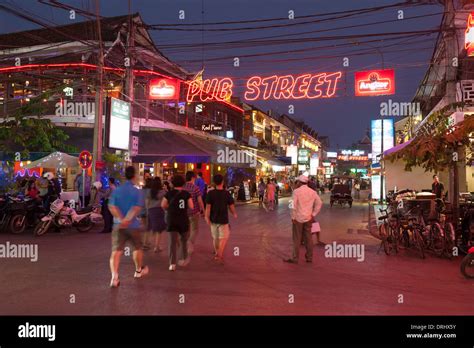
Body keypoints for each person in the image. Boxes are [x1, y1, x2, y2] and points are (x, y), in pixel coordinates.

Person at [108, 166, 148, 288]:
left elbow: (112, 207)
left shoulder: (117, 191)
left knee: (116, 252)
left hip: (118, 226)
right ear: (134, 176)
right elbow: (136, 208)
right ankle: (138, 271)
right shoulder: (137, 191)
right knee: (137, 248)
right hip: (133, 226)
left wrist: (121, 219)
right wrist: (128, 219)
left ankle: (114, 277)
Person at [284, 174, 323, 264]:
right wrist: (313, 214)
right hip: (308, 217)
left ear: (300, 183)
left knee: (296, 239)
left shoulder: (296, 192)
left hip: (298, 218)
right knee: (308, 238)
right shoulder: (312, 192)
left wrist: (292, 217)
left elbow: (292, 205)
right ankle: (309, 257)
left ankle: (295, 258)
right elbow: (319, 203)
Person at [161, 175, 194, 271]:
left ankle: (172, 264)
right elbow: (191, 206)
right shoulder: (186, 194)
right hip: (183, 219)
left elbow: (163, 205)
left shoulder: (169, 194)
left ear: (172, 183)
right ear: (183, 183)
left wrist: (169, 209)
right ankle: (184, 259)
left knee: (172, 242)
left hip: (172, 219)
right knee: (184, 241)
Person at [205, 174, 237, 264]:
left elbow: (208, 207)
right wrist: (234, 213)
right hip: (223, 219)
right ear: (222, 182)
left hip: (213, 219)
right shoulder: (226, 193)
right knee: (224, 237)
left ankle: (217, 253)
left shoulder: (210, 194)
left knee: (215, 238)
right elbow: (231, 206)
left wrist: (206, 217)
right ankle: (219, 255)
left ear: (214, 183)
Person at [184, 171, 205, 255]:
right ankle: (190, 243)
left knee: (187, 230)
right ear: (192, 178)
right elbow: (200, 201)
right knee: (195, 230)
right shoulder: (195, 188)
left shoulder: (182, 187)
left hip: (184, 213)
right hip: (194, 212)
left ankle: (186, 245)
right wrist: (202, 210)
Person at [144, 177, 167, 253]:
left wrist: (148, 211)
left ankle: (146, 243)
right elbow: (165, 202)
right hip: (159, 210)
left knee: (149, 227)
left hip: (150, 210)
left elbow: (147, 202)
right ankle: (156, 247)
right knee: (158, 230)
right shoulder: (163, 192)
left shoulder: (149, 192)